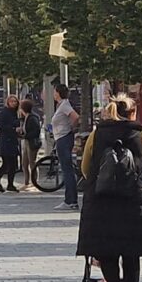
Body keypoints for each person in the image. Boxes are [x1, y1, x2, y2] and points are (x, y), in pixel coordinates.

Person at [77, 94, 142, 282]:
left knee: (106, 250)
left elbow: (85, 168)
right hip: (133, 203)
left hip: (102, 202)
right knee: (131, 253)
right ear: (133, 113)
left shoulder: (96, 135)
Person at [51, 83, 81, 211]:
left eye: (54, 91)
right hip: (61, 138)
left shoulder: (65, 105)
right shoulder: (61, 105)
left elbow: (75, 117)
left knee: (67, 170)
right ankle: (70, 199)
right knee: (66, 169)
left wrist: (71, 128)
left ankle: (71, 200)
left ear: (57, 93)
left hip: (64, 138)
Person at [0, 95, 22, 192]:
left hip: (12, 141)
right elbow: (2, 126)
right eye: (12, 101)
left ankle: (10, 184)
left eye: (15, 101)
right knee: (6, 164)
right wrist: (14, 129)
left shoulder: (15, 113)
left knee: (12, 165)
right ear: (8, 102)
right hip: (6, 142)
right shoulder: (5, 112)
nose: (14, 103)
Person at [20, 99, 43, 192]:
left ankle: (35, 182)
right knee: (25, 163)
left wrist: (25, 135)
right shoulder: (26, 117)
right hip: (27, 142)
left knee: (32, 162)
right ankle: (26, 182)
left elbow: (35, 131)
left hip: (32, 142)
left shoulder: (33, 117)